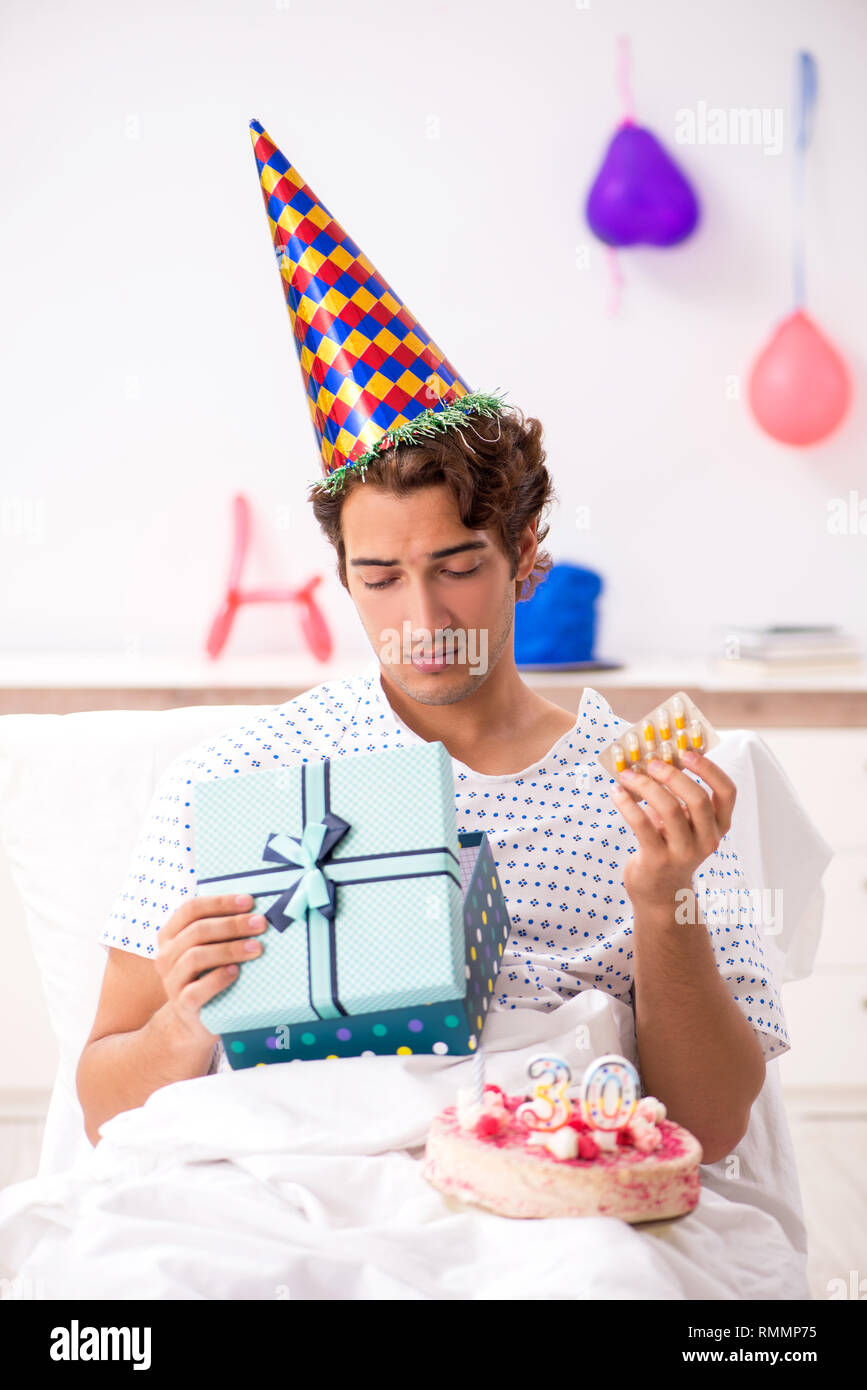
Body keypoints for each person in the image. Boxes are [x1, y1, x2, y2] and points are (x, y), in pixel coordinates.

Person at [77, 123, 785, 1154]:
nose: (422, 622)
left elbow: (713, 1126)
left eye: (456, 567)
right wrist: (189, 1017)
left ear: (523, 553)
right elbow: (102, 1099)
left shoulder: (652, 795)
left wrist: (662, 895)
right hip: (278, 1185)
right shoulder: (232, 782)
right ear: (342, 576)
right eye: (380, 577)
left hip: (545, 1192)